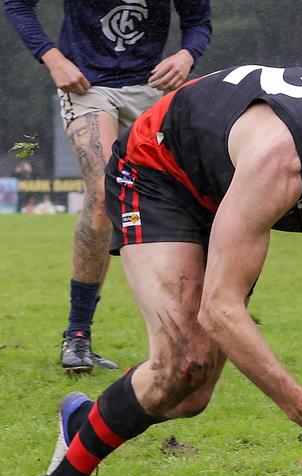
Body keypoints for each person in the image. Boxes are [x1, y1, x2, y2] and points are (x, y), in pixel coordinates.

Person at [34, 65, 302, 476]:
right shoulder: (283, 160)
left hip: (228, 189)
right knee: (184, 364)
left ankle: (82, 420)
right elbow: (220, 308)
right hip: (160, 169)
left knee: (189, 396)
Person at [4, 0, 212, 373]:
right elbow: (17, 3)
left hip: (153, 88)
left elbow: (198, 21)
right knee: (102, 194)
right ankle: (77, 336)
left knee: (190, 197)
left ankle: (192, 330)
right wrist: (52, 57)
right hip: (88, 86)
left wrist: (186, 54)